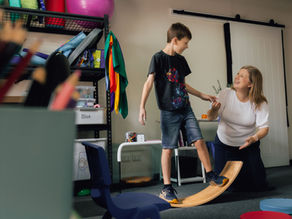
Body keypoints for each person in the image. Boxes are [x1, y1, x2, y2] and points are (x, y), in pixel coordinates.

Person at [139, 22, 228, 204]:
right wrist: (142, 106)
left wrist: (202, 95)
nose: (187, 46)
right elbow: (149, 83)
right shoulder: (158, 58)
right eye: (185, 43)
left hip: (185, 108)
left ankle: (211, 175)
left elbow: (182, 84)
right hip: (168, 111)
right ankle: (167, 188)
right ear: (175, 40)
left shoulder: (181, 60)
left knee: (199, 141)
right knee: (168, 148)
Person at [207, 65, 271, 192]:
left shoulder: (259, 102)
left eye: (242, 76)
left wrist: (254, 138)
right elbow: (210, 117)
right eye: (237, 74)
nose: (237, 77)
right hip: (224, 142)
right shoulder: (225, 94)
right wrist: (213, 110)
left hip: (248, 144)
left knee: (258, 185)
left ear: (251, 84)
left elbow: (264, 128)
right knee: (225, 187)